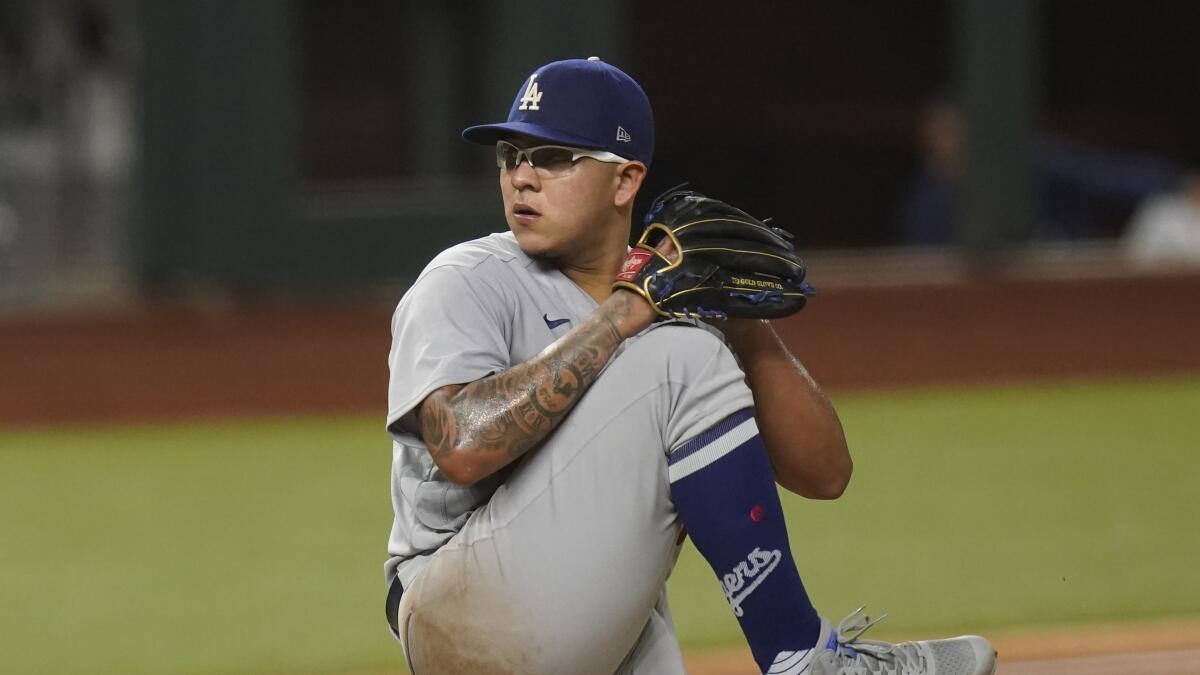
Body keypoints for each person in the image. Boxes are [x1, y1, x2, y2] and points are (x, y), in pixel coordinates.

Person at [384, 57, 997, 675]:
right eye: (511, 156)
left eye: (553, 157)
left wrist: (739, 323)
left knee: (687, 347)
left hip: (589, 621)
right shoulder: (468, 280)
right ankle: (807, 661)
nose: (522, 177)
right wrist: (624, 315)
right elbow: (459, 444)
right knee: (681, 356)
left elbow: (826, 473)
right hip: (457, 609)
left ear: (624, 182)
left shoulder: (672, 302)